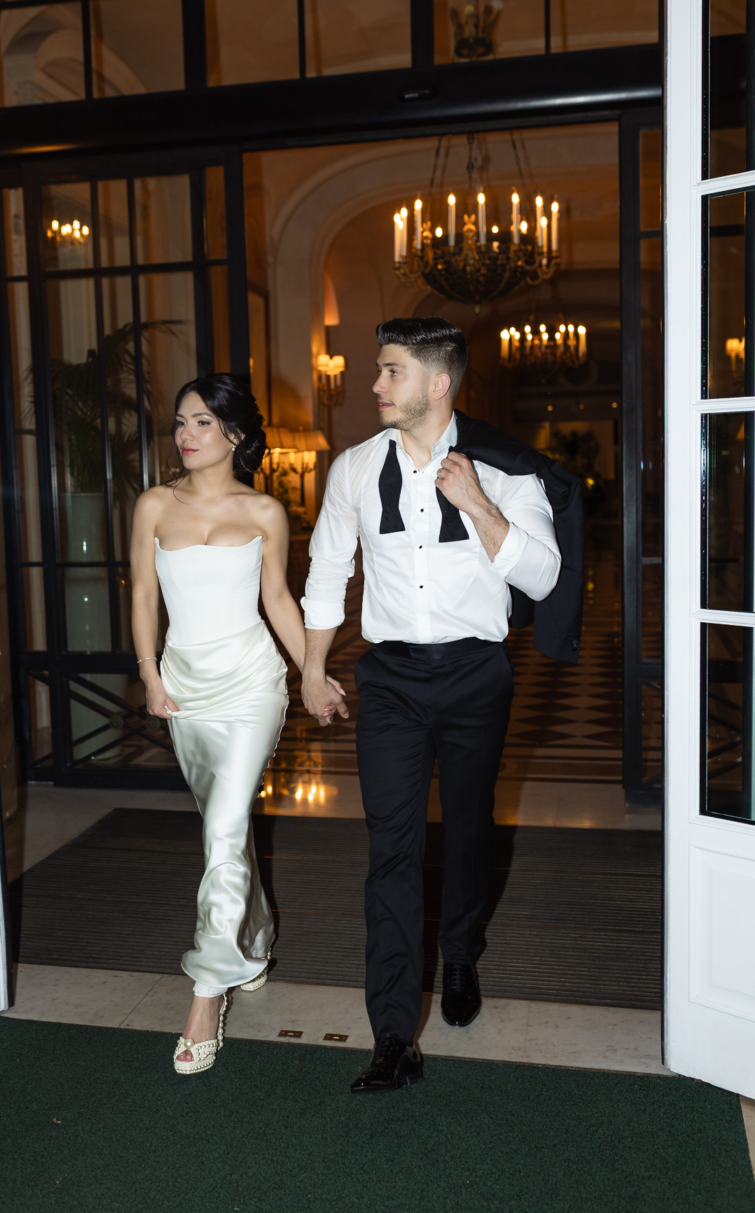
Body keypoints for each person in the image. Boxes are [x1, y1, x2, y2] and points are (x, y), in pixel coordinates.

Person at [301, 318, 564, 1094]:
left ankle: (459, 953)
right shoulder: (353, 469)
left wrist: (478, 503)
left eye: (389, 372)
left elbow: (544, 580)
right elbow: (325, 573)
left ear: (436, 383)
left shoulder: (505, 470)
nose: (373, 385)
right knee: (391, 847)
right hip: (389, 683)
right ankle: (390, 1034)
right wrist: (313, 670)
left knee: (470, 829)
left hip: (476, 675)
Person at [131, 374, 341, 1075]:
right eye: (180, 423)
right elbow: (141, 593)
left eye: (199, 423)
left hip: (253, 683)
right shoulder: (155, 504)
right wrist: (150, 674)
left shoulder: (264, 511)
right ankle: (252, 940)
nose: (185, 435)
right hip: (183, 687)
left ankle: (205, 991)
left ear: (235, 435)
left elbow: (277, 597)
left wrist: (309, 670)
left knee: (222, 830)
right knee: (225, 830)